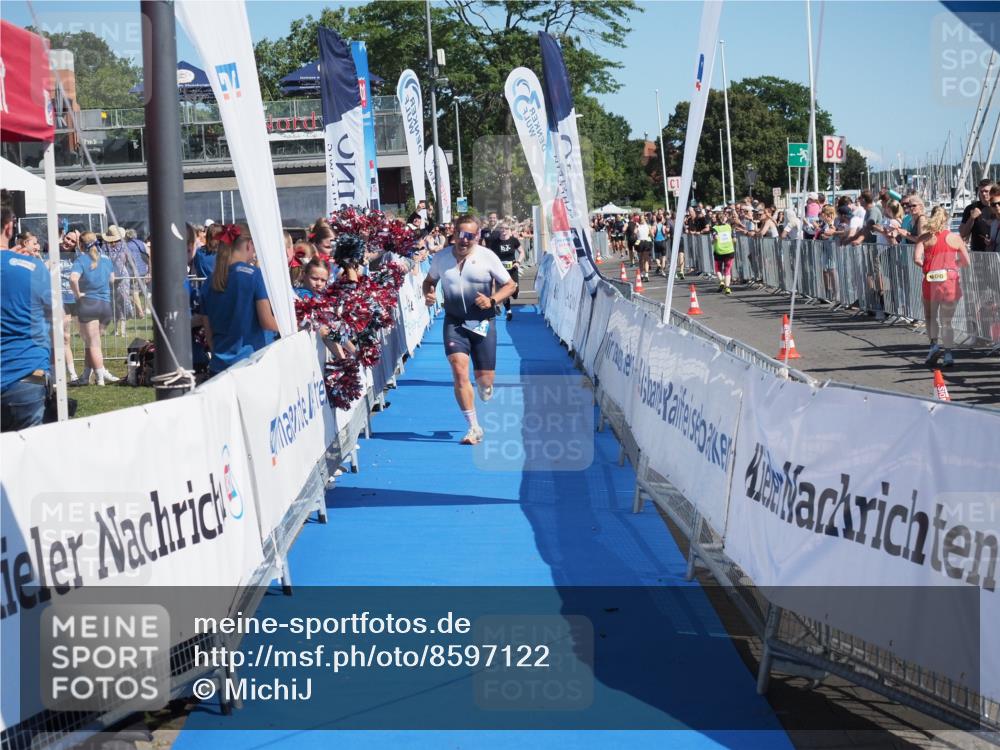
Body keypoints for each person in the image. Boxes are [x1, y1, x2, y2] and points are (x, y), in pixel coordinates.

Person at [421, 215, 517, 446]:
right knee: (459, 370)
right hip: (454, 322)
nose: (464, 241)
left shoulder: (487, 257)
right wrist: (429, 293)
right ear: (453, 234)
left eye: (470, 236)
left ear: (477, 237)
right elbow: (429, 281)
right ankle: (473, 427)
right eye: (460, 235)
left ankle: (485, 386)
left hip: (482, 323)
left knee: (484, 382)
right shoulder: (441, 258)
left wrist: (493, 300)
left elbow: (510, 285)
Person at [201, 225, 280, 375]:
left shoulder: (209, 281)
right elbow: (267, 321)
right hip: (249, 365)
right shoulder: (254, 276)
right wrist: (292, 326)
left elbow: (208, 332)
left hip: (219, 367)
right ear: (249, 244)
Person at [1, 215, 53, 431]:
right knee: (33, 460)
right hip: (27, 375)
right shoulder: (33, 268)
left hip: (26, 376)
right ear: (9, 227)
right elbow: (54, 314)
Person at [915, 206, 970, 367]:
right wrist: (954, 265)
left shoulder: (924, 238)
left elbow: (916, 259)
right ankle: (948, 354)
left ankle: (933, 345)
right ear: (946, 220)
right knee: (947, 321)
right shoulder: (955, 238)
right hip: (950, 281)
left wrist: (929, 265)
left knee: (930, 316)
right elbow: (966, 261)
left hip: (931, 280)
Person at [69, 232, 119, 386]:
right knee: (91, 343)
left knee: (93, 344)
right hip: (105, 306)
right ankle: (85, 375)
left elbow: (72, 279)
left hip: (89, 304)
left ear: (81, 245)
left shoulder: (81, 260)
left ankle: (100, 378)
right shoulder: (106, 259)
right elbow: (112, 279)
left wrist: (78, 295)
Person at [487, 224, 523, 321]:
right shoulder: (495, 242)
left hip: (512, 268)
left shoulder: (513, 240)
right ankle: (508, 311)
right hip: (500, 270)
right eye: (502, 228)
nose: (504, 230)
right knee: (505, 290)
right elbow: (489, 254)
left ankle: (507, 306)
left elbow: (522, 252)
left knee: (515, 291)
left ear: (509, 230)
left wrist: (518, 262)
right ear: (499, 230)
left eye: (506, 228)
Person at [960, 178, 994, 252]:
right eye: (981, 191)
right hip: (978, 254)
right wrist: (972, 218)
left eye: (986, 191)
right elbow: (963, 234)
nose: (983, 194)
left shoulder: (997, 207)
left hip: (997, 252)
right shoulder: (971, 208)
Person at [711, 212, 736, 295]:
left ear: (717, 219)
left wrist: (712, 241)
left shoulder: (715, 228)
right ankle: (727, 288)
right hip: (729, 251)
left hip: (719, 251)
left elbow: (715, 237)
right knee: (727, 270)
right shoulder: (729, 227)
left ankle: (721, 281)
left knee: (718, 268)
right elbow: (734, 239)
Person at [635, 213, 652, 282]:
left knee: (645, 259)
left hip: (645, 242)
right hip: (640, 243)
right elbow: (635, 232)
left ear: (645, 219)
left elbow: (652, 234)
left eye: (642, 218)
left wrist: (650, 233)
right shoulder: (638, 226)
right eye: (640, 219)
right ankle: (642, 274)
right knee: (641, 259)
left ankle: (646, 274)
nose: (641, 220)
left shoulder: (648, 226)